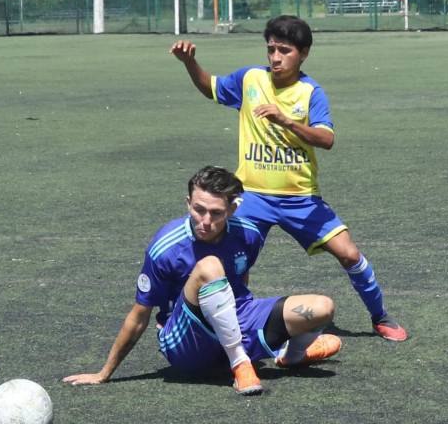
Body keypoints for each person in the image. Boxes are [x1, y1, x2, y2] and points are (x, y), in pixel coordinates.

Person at [169, 16, 408, 342]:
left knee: (349, 254)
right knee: (222, 254)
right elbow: (210, 87)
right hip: (250, 195)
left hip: (300, 199)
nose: (276, 57)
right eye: (271, 49)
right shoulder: (250, 79)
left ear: (304, 53)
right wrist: (190, 63)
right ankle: (191, 314)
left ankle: (380, 316)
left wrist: (286, 121)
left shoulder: (311, 93)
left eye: (285, 50)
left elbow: (326, 139)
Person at [63, 166, 342, 395]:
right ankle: (240, 364)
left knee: (322, 307)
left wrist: (248, 320)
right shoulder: (165, 246)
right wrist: (104, 373)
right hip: (185, 340)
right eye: (198, 209)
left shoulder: (249, 234)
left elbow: (241, 277)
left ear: (232, 210)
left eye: (216, 213)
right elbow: (139, 315)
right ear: (188, 203)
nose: (205, 221)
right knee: (209, 266)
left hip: (236, 316)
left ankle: (291, 357)